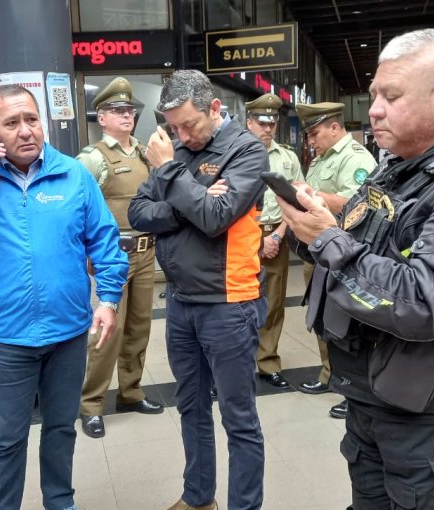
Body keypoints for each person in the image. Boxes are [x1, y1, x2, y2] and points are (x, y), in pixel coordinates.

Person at [278, 29, 434, 509]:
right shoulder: (396, 167)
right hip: (376, 399)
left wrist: (327, 238)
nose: (373, 109)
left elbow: (426, 302)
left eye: (390, 96)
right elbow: (349, 243)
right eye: (375, 94)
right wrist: (308, 227)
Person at [0, 84, 128, 510]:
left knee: (60, 429)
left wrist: (107, 300)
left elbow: (105, 241)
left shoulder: (74, 175)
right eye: (11, 123)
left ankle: (60, 502)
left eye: (31, 120)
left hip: (67, 334)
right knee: (7, 438)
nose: (25, 131)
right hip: (6, 338)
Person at [129, 69, 267, 510]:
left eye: (189, 124)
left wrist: (169, 172)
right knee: (190, 407)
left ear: (214, 108)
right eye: (172, 127)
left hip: (229, 303)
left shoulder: (246, 150)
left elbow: (217, 217)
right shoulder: (180, 151)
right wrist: (193, 199)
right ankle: (198, 498)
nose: (181, 134)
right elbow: (138, 212)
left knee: (238, 418)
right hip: (183, 303)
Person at [76, 77, 164, 439]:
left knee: (138, 328)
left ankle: (131, 391)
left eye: (130, 110)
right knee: (106, 333)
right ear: (102, 118)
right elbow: (78, 210)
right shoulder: (93, 158)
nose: (126, 115)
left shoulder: (144, 153)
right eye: (117, 110)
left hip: (145, 253)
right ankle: (92, 404)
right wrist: (86, 255)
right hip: (111, 257)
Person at [292, 101, 377, 421]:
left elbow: (360, 204)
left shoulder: (355, 158)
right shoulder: (323, 158)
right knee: (324, 319)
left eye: (315, 133)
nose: (311, 141)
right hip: (319, 251)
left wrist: (311, 195)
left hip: (344, 252)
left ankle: (353, 390)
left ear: (334, 127)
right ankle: (330, 375)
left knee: (348, 323)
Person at [245, 92, 301, 389]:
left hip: (276, 236)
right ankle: (239, 363)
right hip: (243, 237)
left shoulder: (288, 157)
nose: (267, 129)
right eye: (261, 122)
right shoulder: (235, 153)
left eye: (272, 123)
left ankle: (268, 362)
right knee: (240, 303)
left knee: (274, 303)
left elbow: (296, 202)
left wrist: (277, 235)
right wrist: (257, 238)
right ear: (249, 122)